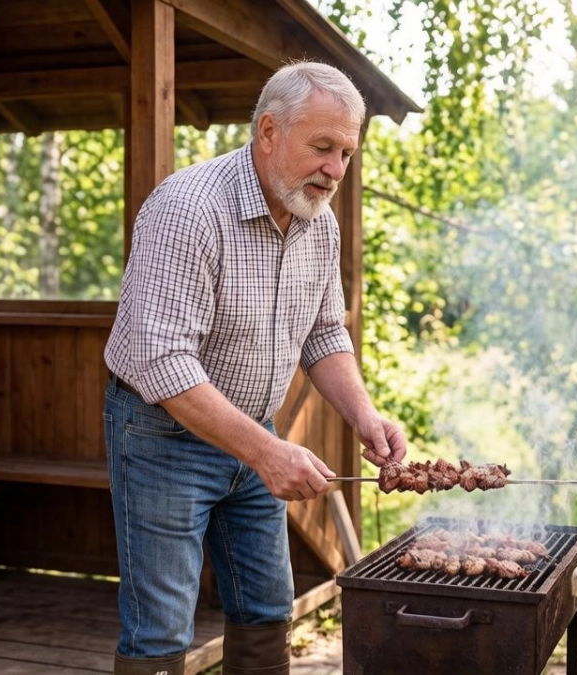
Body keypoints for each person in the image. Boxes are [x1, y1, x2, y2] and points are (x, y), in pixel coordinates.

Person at [103, 61, 407, 675]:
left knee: (268, 610)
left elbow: (324, 333)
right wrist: (269, 453)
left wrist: (364, 416)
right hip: (161, 436)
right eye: (323, 147)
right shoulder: (187, 209)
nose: (335, 170)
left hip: (254, 434)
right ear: (269, 132)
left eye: (346, 153)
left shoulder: (319, 222)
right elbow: (161, 360)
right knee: (161, 630)